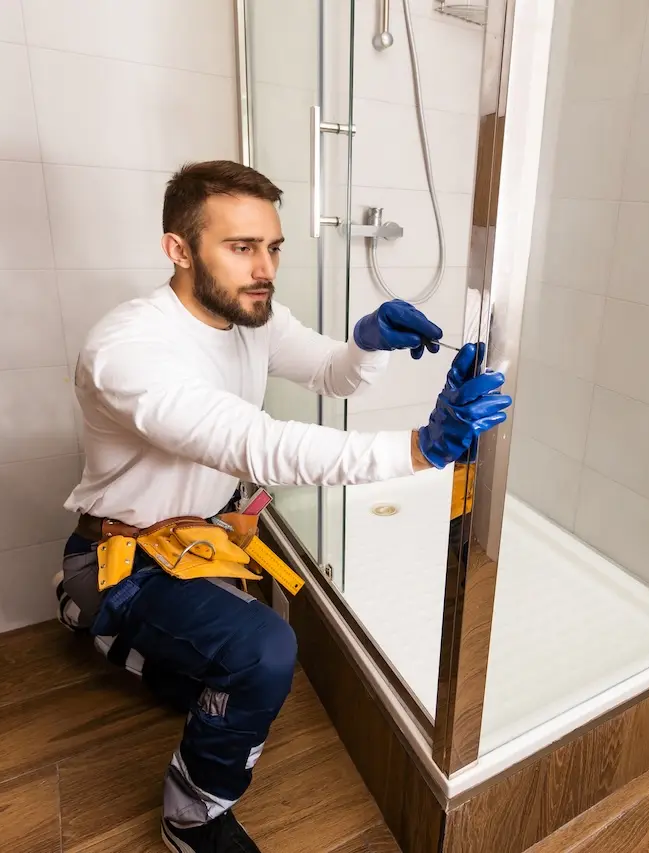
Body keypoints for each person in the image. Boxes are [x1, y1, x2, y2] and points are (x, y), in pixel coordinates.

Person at [54, 160, 510, 853]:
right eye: (241, 247)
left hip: (196, 546)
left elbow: (332, 374)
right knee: (264, 647)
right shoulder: (128, 350)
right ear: (178, 249)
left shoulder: (251, 316)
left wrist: (367, 342)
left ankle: (159, 663)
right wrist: (423, 448)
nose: (264, 267)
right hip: (121, 563)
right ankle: (192, 813)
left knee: (220, 674)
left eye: (273, 247)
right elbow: (258, 446)